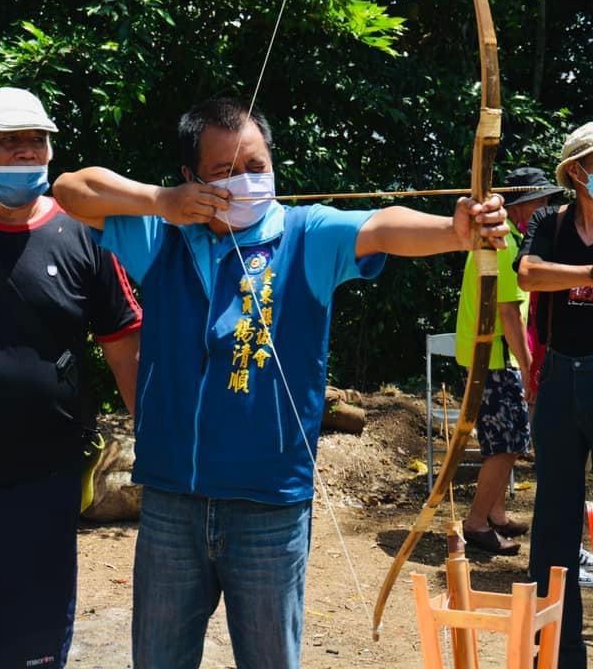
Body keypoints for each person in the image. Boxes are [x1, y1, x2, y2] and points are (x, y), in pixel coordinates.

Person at [54, 95, 509, 669]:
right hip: (172, 501)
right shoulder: (161, 238)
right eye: (224, 171)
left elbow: (382, 226)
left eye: (256, 165)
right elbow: (70, 189)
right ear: (192, 178)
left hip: (269, 507)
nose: (245, 180)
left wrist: (454, 229)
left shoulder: (305, 234)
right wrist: (162, 201)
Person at [0, 87, 142, 669]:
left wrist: (163, 453)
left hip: (40, 493)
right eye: (8, 142)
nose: (26, 153)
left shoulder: (85, 237)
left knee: (30, 657)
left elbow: (126, 352)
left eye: (36, 141)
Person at [516, 121, 593, 669]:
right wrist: (588, 271)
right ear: (576, 171)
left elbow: (546, 275)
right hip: (561, 376)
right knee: (554, 521)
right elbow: (528, 274)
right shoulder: (550, 221)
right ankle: (559, 654)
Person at [456, 167, 561, 556]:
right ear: (519, 207)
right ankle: (476, 523)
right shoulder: (505, 246)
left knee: (506, 440)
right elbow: (508, 313)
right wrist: (530, 367)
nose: (545, 210)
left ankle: (495, 513)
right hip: (493, 358)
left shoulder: (511, 241)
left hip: (490, 356)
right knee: (506, 443)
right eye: (539, 203)